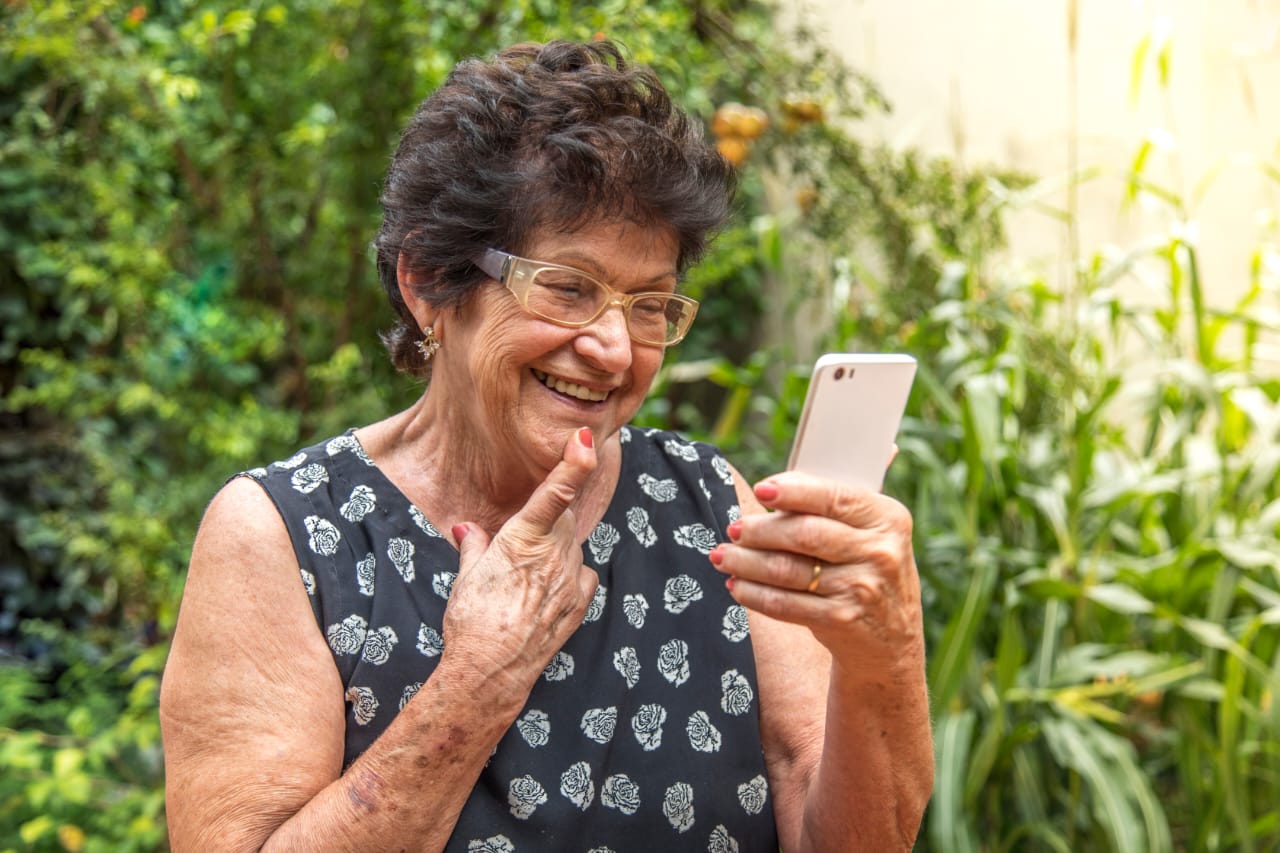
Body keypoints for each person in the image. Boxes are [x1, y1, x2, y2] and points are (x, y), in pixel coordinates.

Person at [159, 39, 933, 851]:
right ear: (427, 281)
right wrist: (475, 685)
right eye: (567, 287)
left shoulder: (708, 504)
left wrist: (884, 652)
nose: (614, 347)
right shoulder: (283, 536)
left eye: (649, 305)